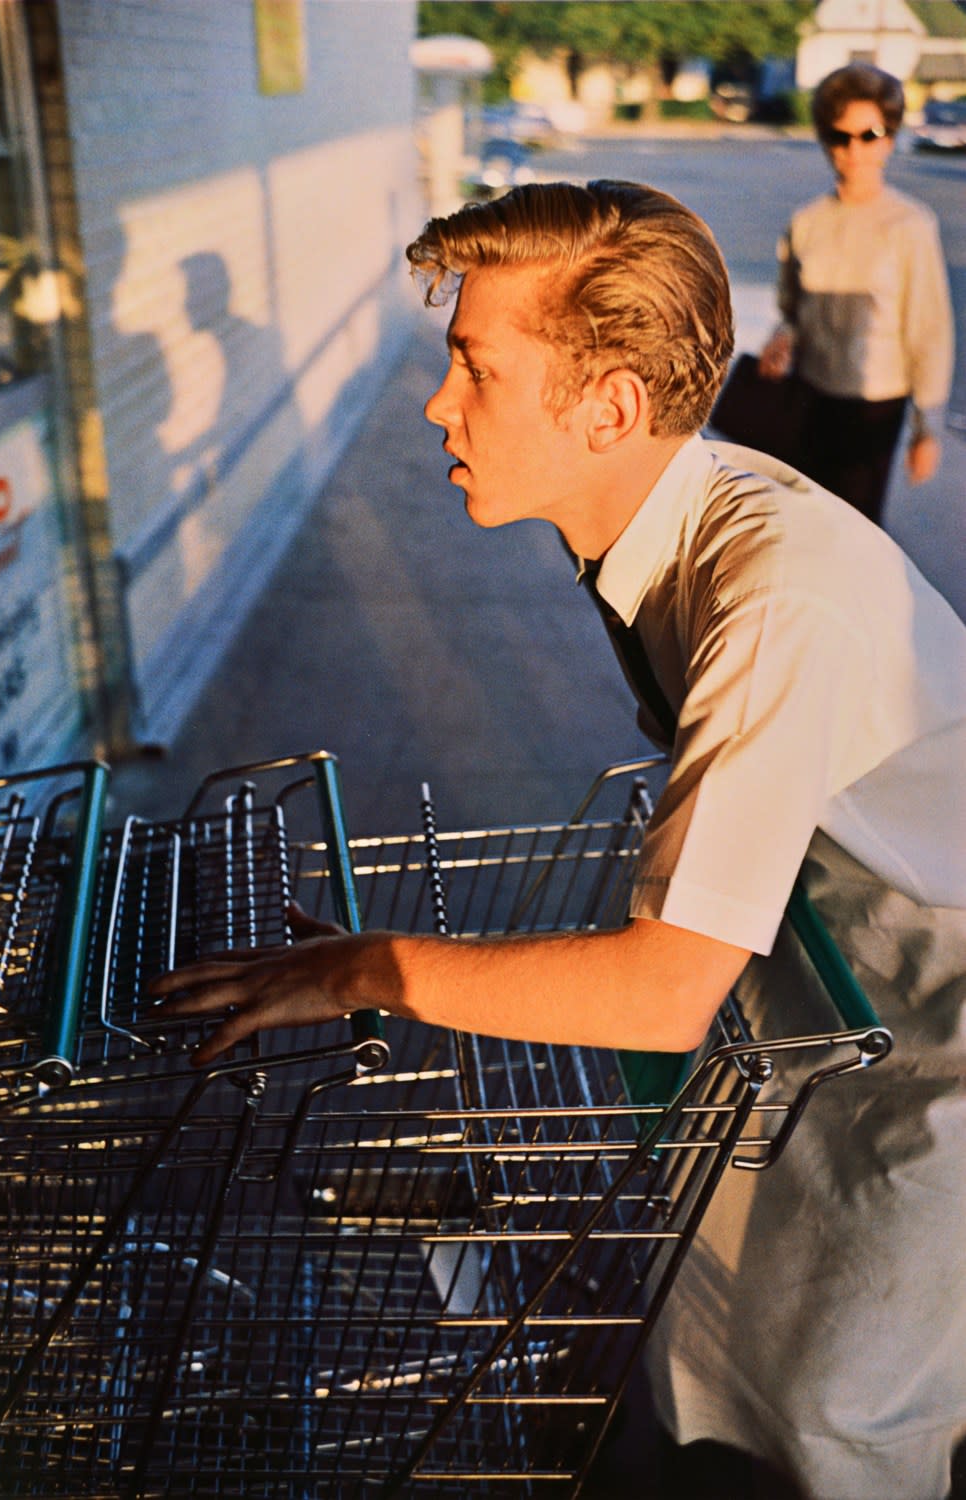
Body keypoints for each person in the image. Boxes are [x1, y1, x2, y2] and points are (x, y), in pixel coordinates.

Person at [151, 181, 966, 1500]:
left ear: (608, 409)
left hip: (936, 1022)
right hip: (835, 971)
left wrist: (371, 970)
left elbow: (658, 989)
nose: (438, 401)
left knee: (843, 1408)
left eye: (474, 364)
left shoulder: (772, 599)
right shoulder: (654, 529)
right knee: (726, 1338)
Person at [758, 63, 954, 525]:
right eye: (838, 136)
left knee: (856, 529)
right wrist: (782, 336)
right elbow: (791, 307)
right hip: (809, 395)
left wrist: (928, 428)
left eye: (867, 135)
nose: (853, 150)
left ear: (889, 138)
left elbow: (929, 328)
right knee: (804, 522)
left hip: (875, 404)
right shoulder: (807, 221)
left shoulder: (911, 225)